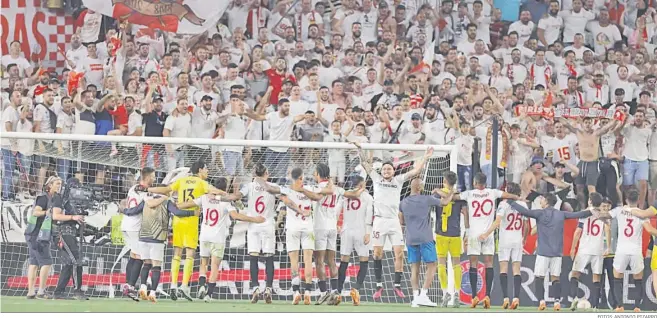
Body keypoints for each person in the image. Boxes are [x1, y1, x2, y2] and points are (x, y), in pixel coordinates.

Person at [352, 142, 434, 300]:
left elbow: (416, 171)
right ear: (381, 171)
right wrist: (360, 149)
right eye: (384, 169)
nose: (386, 171)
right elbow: (365, 164)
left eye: (389, 168)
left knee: (399, 254)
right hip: (379, 221)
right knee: (377, 254)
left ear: (393, 170)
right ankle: (378, 285)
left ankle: (397, 285)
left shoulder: (398, 180)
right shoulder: (376, 179)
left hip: (394, 221)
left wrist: (425, 157)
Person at [147, 160, 227, 300]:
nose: (207, 172)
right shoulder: (202, 183)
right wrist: (228, 195)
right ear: (200, 170)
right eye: (206, 169)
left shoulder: (182, 180)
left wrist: (149, 189)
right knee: (190, 253)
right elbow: (214, 191)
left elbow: (166, 190)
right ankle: (184, 286)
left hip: (178, 219)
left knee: (177, 253)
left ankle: (173, 285)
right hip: (191, 220)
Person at [177, 177, 265, 302]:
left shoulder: (205, 197)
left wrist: (176, 204)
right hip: (217, 238)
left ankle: (201, 286)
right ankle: (208, 295)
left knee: (203, 263)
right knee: (214, 266)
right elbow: (236, 216)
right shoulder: (225, 202)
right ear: (225, 188)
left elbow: (188, 204)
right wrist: (254, 219)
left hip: (204, 236)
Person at [508, 193, 594, 311]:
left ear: (547, 201)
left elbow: (524, 212)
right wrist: (592, 211)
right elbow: (577, 214)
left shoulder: (539, 213)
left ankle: (542, 301)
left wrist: (510, 202)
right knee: (555, 279)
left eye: (542, 199)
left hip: (543, 252)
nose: (541, 201)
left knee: (539, 277)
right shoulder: (561, 214)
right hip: (557, 253)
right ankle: (557, 302)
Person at [452, 173, 520, 309]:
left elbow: (454, 197)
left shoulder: (469, 194)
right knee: (489, 264)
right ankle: (487, 295)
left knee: (473, 264)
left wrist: (451, 193)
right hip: (488, 233)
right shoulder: (493, 192)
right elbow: (508, 196)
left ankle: (474, 297)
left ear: (475, 182)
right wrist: (516, 197)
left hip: (473, 234)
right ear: (485, 182)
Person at [400, 178, 453, 307]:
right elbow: (445, 202)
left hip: (410, 238)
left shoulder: (403, 202)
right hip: (425, 237)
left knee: (414, 267)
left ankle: (415, 298)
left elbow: (401, 221)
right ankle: (423, 294)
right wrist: (451, 191)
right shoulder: (426, 199)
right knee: (432, 265)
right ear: (419, 188)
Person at [24, 176, 69, 299]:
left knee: (34, 262)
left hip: (32, 234)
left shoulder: (52, 198)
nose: (59, 186)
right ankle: (41, 291)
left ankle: (31, 291)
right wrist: (46, 212)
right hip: (38, 235)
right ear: (50, 185)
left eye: (60, 184)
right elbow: (35, 212)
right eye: (57, 184)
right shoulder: (44, 198)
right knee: (47, 262)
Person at [607, 189, 647, 312]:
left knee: (617, 277)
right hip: (636, 250)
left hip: (621, 250)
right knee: (638, 279)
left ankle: (619, 306)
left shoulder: (619, 210)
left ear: (626, 199)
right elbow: (649, 229)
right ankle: (637, 307)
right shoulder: (642, 213)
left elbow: (606, 216)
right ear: (639, 200)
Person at [568, 192, 608, 311]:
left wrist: (573, 248)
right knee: (596, 278)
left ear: (590, 201)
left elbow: (578, 232)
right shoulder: (604, 215)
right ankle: (595, 306)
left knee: (575, 274)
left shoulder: (585, 213)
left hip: (584, 249)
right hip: (598, 249)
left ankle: (574, 298)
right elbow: (607, 232)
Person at [431, 171, 465, 308]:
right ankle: (457, 293)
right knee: (456, 263)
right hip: (455, 233)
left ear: (444, 180)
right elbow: (464, 211)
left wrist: (438, 190)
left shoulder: (437, 193)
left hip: (441, 233)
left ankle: (445, 293)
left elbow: (433, 206)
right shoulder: (459, 195)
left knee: (441, 263)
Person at [336, 175, 371, 306]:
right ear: (363, 183)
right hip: (361, 231)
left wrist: (336, 224)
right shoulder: (368, 197)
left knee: (344, 260)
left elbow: (337, 210)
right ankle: (356, 289)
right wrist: (368, 233)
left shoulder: (346, 195)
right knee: (364, 260)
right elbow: (369, 216)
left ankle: (338, 293)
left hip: (346, 230)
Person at [122, 167, 156, 301]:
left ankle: (127, 285)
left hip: (126, 225)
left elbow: (127, 204)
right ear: (147, 177)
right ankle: (130, 286)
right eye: (153, 176)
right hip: (135, 227)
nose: (154, 178)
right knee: (141, 258)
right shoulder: (145, 193)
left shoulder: (133, 188)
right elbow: (143, 207)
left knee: (133, 255)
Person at [52, 177, 88, 300]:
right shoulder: (59, 198)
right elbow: (56, 216)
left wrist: (79, 219)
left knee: (68, 263)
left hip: (71, 233)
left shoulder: (70, 201)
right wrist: (73, 217)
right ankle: (77, 291)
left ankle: (58, 292)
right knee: (76, 260)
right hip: (62, 233)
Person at [492, 182, 526, 310]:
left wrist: (487, 233)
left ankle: (506, 298)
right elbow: (526, 225)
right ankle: (516, 298)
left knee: (503, 269)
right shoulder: (522, 204)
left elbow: (498, 221)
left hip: (505, 239)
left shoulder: (503, 204)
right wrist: (524, 238)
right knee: (516, 269)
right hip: (517, 239)